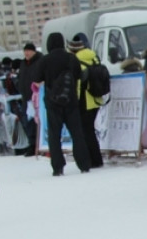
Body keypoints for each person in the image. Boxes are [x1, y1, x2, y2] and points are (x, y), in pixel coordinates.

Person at [34, 32, 91, 175]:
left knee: (54, 135)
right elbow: (79, 76)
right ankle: (84, 164)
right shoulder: (71, 58)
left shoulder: (45, 60)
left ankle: (58, 167)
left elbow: (36, 77)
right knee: (77, 133)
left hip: (53, 102)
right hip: (71, 101)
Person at [69, 33, 106, 167]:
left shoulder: (76, 60)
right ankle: (96, 159)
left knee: (86, 131)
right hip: (96, 98)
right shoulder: (93, 56)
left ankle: (94, 160)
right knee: (90, 130)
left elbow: (79, 83)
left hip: (84, 99)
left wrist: (74, 99)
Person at [15, 42, 43, 156]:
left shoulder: (40, 61)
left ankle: (40, 145)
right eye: (25, 51)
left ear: (34, 51)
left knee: (38, 122)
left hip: (37, 96)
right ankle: (32, 144)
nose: (26, 53)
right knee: (28, 122)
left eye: (28, 51)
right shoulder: (23, 63)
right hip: (26, 97)